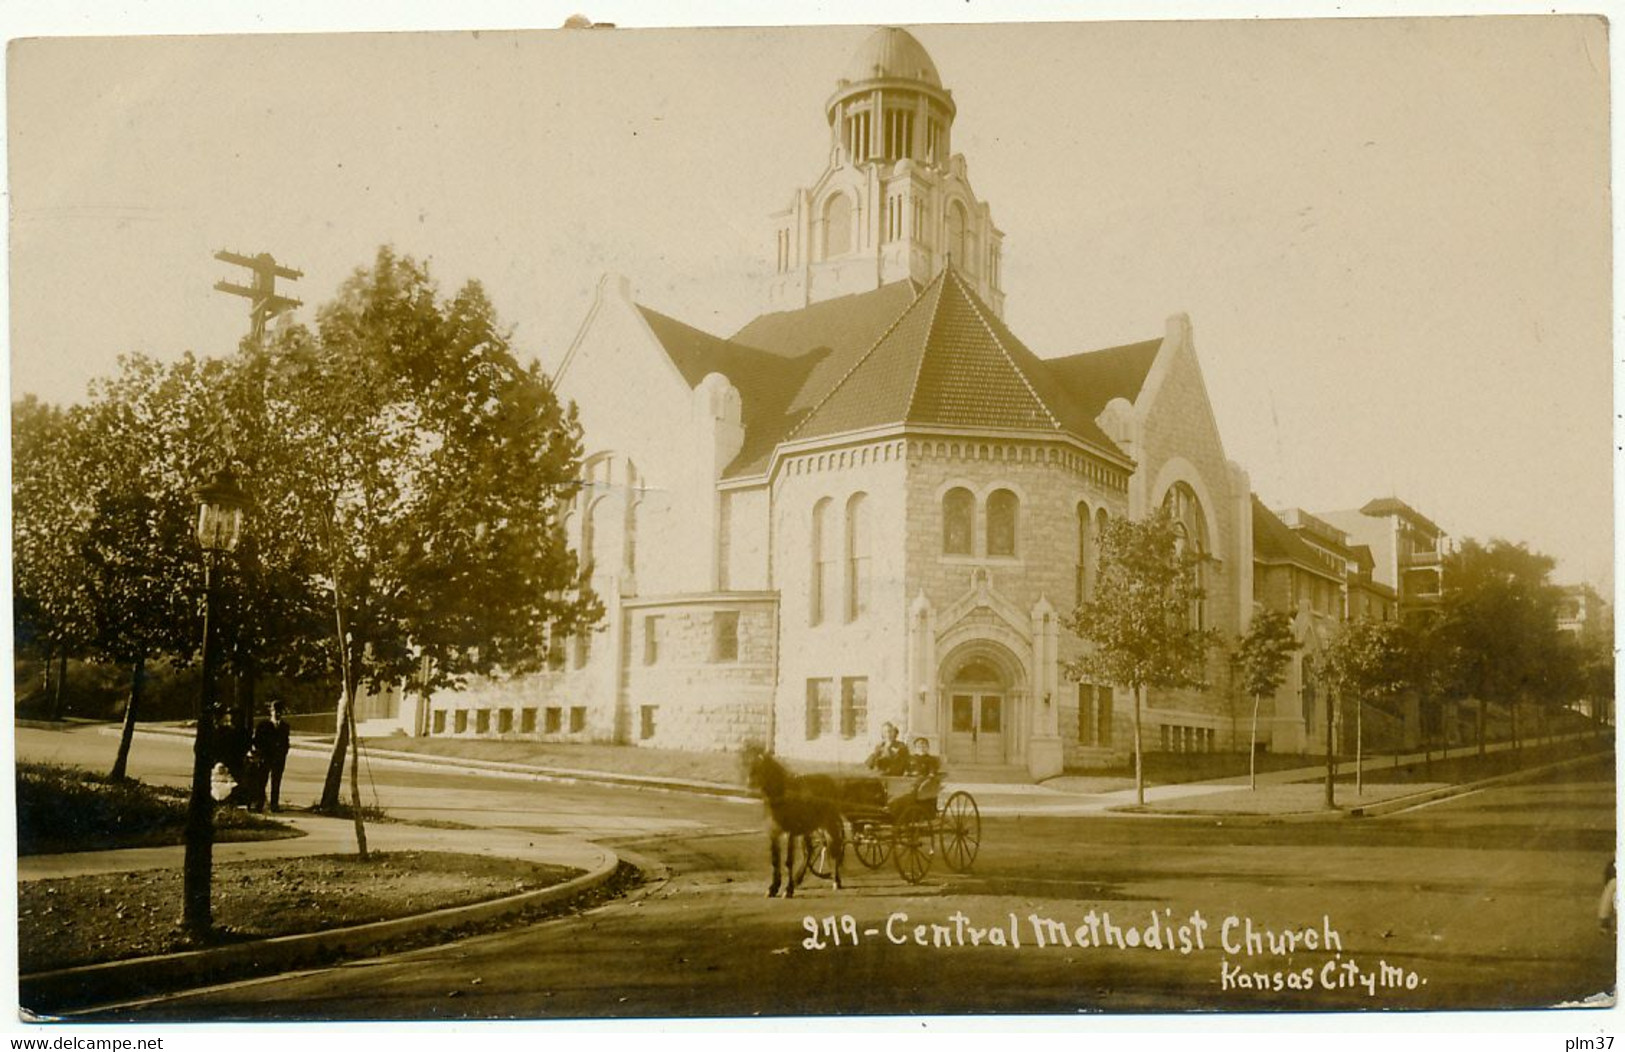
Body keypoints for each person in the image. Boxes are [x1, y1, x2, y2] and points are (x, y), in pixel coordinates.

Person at [253, 699, 293, 812]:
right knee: (262, 781)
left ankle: (274, 805)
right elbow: (257, 741)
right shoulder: (263, 725)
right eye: (275, 711)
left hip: (278, 759)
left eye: (280, 711)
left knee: (276, 782)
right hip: (266, 758)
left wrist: (283, 752)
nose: (278, 713)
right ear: (271, 711)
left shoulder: (285, 727)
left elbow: (285, 742)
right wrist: (261, 753)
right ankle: (259, 804)